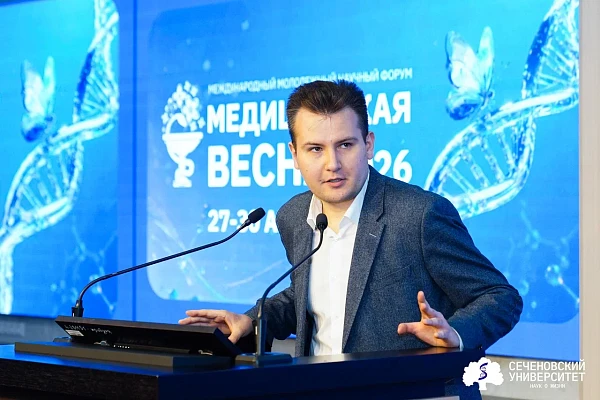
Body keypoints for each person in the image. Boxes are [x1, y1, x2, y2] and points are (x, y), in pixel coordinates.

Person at [179, 80, 522, 397]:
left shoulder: (419, 214)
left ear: (368, 144)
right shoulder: (293, 216)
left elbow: (501, 297)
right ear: (294, 155)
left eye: (345, 145)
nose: (332, 163)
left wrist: (455, 333)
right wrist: (255, 320)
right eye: (315, 149)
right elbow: (311, 295)